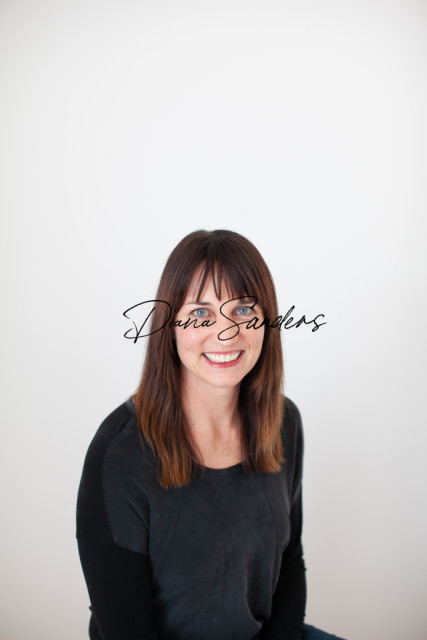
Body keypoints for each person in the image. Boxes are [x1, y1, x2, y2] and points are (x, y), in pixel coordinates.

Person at [76, 229, 346, 640]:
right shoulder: (120, 452)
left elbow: (290, 564)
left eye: (243, 309)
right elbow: (126, 631)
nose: (226, 332)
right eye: (201, 312)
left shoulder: (284, 422)